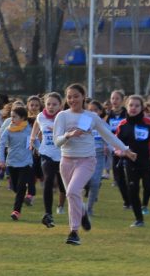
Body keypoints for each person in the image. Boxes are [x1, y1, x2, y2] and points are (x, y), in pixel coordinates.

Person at [53, 83, 135, 245]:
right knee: (73, 195)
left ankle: (74, 232)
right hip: (66, 161)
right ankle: (82, 211)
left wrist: (125, 149)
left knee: (72, 191)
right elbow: (57, 142)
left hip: (86, 160)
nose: (72, 100)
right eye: (69, 97)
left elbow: (109, 136)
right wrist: (69, 135)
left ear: (83, 97)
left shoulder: (91, 117)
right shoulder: (62, 116)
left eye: (76, 96)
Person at [112, 95, 150, 227]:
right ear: (126, 106)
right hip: (130, 163)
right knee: (133, 190)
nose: (133, 108)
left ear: (142, 108)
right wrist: (123, 153)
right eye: (131, 105)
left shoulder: (149, 122)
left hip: (148, 162)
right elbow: (115, 144)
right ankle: (139, 219)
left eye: (137, 106)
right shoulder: (123, 125)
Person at [31, 92, 65, 229]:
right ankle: (48, 214)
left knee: (65, 186)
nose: (51, 107)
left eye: (54, 104)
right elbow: (36, 124)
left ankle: (62, 205)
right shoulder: (41, 116)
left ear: (60, 105)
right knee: (48, 180)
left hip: (63, 155)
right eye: (48, 104)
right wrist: (32, 138)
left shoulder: (65, 117)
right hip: (46, 153)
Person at [0, 105, 33, 221]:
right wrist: (1, 160)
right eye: (11, 116)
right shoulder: (8, 129)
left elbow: (35, 141)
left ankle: (16, 211)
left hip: (26, 162)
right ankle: (22, 197)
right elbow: (1, 144)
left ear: (23, 118)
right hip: (12, 162)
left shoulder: (29, 129)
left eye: (14, 117)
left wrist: (42, 150)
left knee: (21, 186)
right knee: (14, 187)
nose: (12, 119)